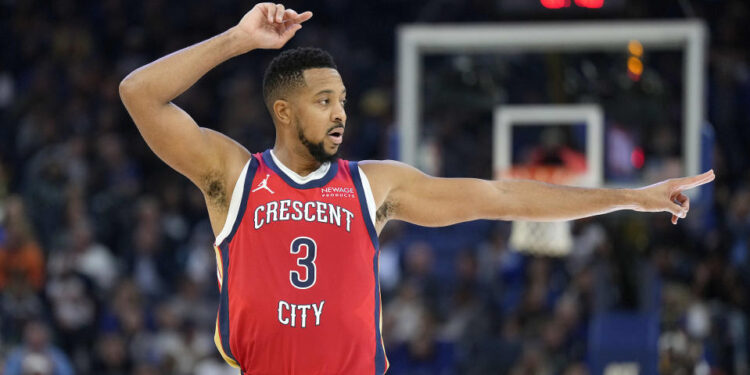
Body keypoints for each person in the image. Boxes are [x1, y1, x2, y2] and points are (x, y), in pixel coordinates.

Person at [118, 3, 715, 374]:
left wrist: (631, 196)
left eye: (343, 102)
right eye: (324, 101)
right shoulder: (235, 175)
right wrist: (238, 40)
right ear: (282, 110)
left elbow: (499, 198)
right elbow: (139, 93)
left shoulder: (374, 185)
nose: (339, 114)